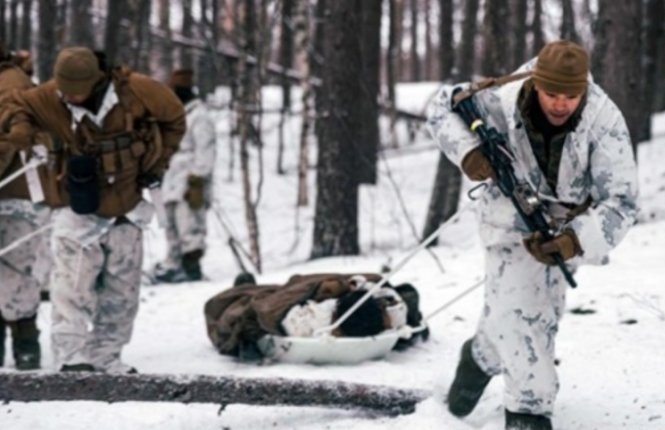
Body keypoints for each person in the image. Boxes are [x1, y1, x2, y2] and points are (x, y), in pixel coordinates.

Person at [425, 40, 638, 430]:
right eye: (552, 94)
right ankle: (528, 418)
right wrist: (469, 153)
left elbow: (623, 202)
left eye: (570, 96)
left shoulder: (605, 120)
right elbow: (440, 106)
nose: (561, 104)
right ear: (536, 83)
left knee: (528, 312)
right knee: (527, 315)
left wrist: (573, 242)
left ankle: (481, 357)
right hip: (506, 221)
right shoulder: (502, 98)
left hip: (562, 231)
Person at [1, 47, 186, 372]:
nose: (68, 97)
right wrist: (20, 129)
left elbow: (175, 118)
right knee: (71, 288)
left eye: (75, 91)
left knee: (123, 290)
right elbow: (16, 103)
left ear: (96, 81)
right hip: (76, 207)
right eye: (63, 90)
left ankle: (106, 357)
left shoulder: (139, 91)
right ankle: (71, 360)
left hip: (127, 205)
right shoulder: (49, 96)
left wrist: (159, 161)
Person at [204, 273, 425, 362]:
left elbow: (395, 301)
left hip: (344, 305)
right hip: (297, 300)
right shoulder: (310, 320)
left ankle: (246, 286)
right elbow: (268, 311)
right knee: (244, 305)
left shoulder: (386, 310)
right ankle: (244, 286)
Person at [0, 47, 50, 370]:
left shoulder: (11, 87)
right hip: (16, 190)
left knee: (16, 269)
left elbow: (19, 138)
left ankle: (25, 341)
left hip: (13, 191)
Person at [152, 68, 216, 283]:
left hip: (189, 181)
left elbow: (205, 150)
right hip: (169, 178)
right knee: (170, 224)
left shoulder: (200, 116)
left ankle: (191, 267)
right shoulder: (172, 115)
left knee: (189, 224)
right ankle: (173, 264)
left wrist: (198, 177)